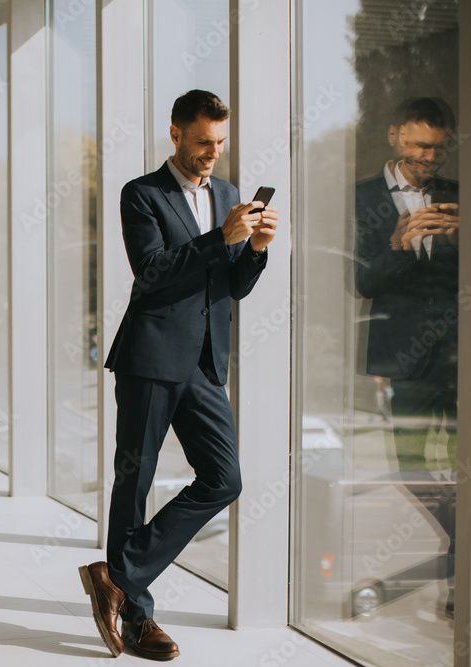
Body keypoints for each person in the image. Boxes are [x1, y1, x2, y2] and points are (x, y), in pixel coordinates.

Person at [78, 89, 277, 660]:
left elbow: (231, 286)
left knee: (225, 478)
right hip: (150, 356)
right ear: (175, 134)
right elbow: (153, 273)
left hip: (206, 362)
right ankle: (138, 619)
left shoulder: (231, 197)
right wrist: (222, 240)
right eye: (201, 142)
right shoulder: (141, 194)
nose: (211, 153)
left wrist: (255, 249)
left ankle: (117, 575)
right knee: (133, 484)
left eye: (218, 143)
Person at [353, 97, 459, 619]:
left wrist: (469, 241)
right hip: (402, 358)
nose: (429, 158)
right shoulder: (359, 199)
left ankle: (466, 564)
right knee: (412, 468)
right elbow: (360, 282)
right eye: (420, 146)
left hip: (462, 358)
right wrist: (397, 242)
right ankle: (468, 549)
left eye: (438, 150)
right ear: (395, 137)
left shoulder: (461, 197)